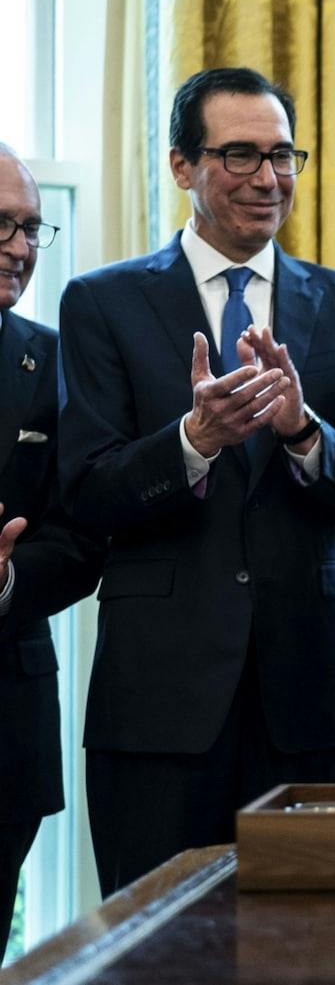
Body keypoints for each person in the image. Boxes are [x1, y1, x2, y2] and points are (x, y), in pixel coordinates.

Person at [58, 68, 335, 894]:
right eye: (241, 154)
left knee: (305, 945)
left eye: (284, 154)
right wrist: (192, 441)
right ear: (183, 165)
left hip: (306, 700)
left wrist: (302, 431)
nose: (268, 177)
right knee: (154, 951)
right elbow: (85, 489)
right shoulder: (103, 304)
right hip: (159, 705)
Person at [0, 146, 102, 944]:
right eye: (2, 224)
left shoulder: (50, 358)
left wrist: (6, 580)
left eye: (32, 227)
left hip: (7, 727)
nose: (21, 246)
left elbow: (79, 536)